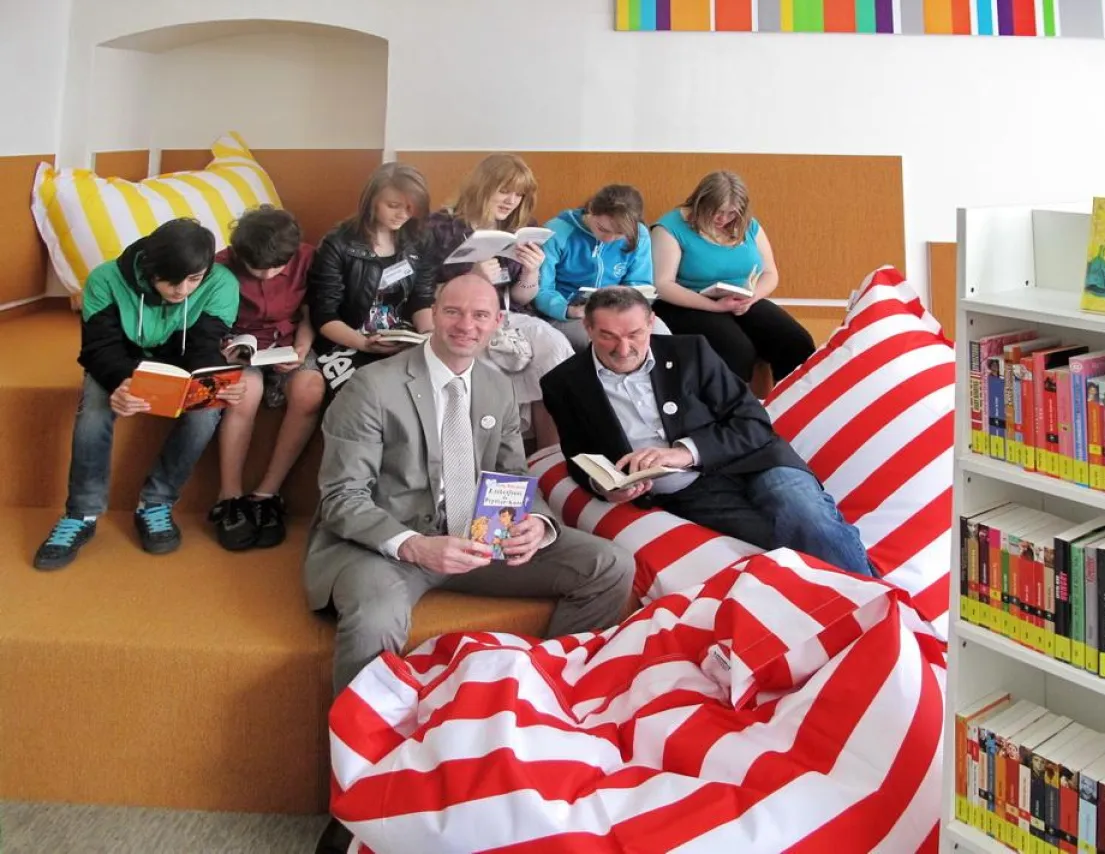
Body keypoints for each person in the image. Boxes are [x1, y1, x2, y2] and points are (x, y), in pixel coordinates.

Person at [307, 273, 636, 854]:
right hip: (389, 543)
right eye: (455, 312)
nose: (467, 326)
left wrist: (534, 523)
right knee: (376, 615)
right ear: (434, 314)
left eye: (481, 316)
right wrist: (412, 544)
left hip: (477, 537)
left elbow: (511, 479)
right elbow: (341, 499)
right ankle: (361, 789)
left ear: (496, 323)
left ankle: (547, 720)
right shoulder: (370, 389)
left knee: (609, 566)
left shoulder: (496, 387)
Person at [540, 286, 874, 578]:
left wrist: (684, 451)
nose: (623, 348)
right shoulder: (563, 383)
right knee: (778, 544)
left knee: (808, 519)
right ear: (587, 328)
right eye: (608, 336)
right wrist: (606, 488)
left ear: (651, 323)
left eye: (634, 335)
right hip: (690, 492)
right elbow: (579, 457)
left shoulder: (691, 351)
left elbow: (752, 421)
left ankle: (881, 608)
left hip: (756, 459)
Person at [32, 218, 247, 570]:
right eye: (171, 280)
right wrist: (121, 383)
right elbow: (100, 347)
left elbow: (205, 345)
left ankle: (156, 503)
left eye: (194, 279)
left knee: (208, 411)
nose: (182, 290)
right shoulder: (105, 279)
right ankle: (81, 514)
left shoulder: (221, 282)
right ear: (149, 266)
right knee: (95, 412)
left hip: (181, 363)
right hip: (120, 362)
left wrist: (215, 381)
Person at [424, 153, 573, 449]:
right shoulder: (441, 226)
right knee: (483, 363)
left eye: (519, 195)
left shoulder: (521, 227)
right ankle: (490, 456)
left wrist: (531, 270)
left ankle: (549, 457)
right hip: (464, 315)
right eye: (504, 191)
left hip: (508, 313)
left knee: (555, 348)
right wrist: (472, 277)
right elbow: (423, 289)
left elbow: (522, 296)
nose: (510, 201)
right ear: (482, 187)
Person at [209, 206, 326, 551]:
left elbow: (311, 312)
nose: (266, 274)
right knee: (245, 392)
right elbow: (210, 322)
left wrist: (303, 348)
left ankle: (266, 494)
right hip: (239, 346)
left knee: (310, 390)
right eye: (256, 268)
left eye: (276, 268)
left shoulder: (308, 257)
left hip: (289, 344)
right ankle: (229, 495)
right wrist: (225, 347)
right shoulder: (219, 264)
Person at [650, 171, 816, 384]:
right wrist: (717, 307)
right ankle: (737, 411)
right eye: (717, 212)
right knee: (736, 349)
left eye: (731, 214)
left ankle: (789, 406)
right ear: (701, 203)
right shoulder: (670, 227)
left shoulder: (748, 225)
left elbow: (770, 273)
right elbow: (663, 284)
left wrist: (752, 298)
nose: (723, 219)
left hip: (740, 298)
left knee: (796, 341)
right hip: (687, 303)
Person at [307, 162, 436, 397]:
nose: (403, 215)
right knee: (368, 396)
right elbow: (324, 314)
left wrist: (427, 332)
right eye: (393, 206)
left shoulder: (420, 239)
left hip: (400, 335)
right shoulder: (338, 244)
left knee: (423, 390)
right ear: (371, 201)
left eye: (410, 208)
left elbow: (422, 298)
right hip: (347, 339)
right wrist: (364, 344)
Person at [532, 184, 669, 351]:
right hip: (567, 314)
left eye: (619, 234)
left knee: (661, 336)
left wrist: (626, 301)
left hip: (620, 311)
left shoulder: (638, 235)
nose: (609, 239)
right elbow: (541, 289)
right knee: (604, 343)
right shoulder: (557, 231)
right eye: (602, 229)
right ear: (591, 210)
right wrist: (569, 311)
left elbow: (640, 283)